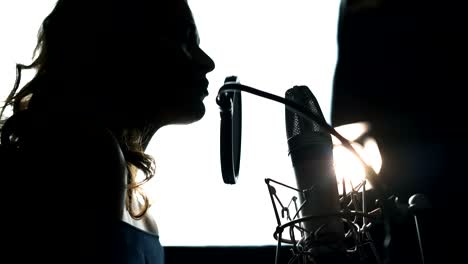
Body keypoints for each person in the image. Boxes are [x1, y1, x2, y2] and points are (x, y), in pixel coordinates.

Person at [0, 0, 215, 263]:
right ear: (125, 44)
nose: (207, 62)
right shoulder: (88, 152)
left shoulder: (139, 208)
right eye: (185, 40)